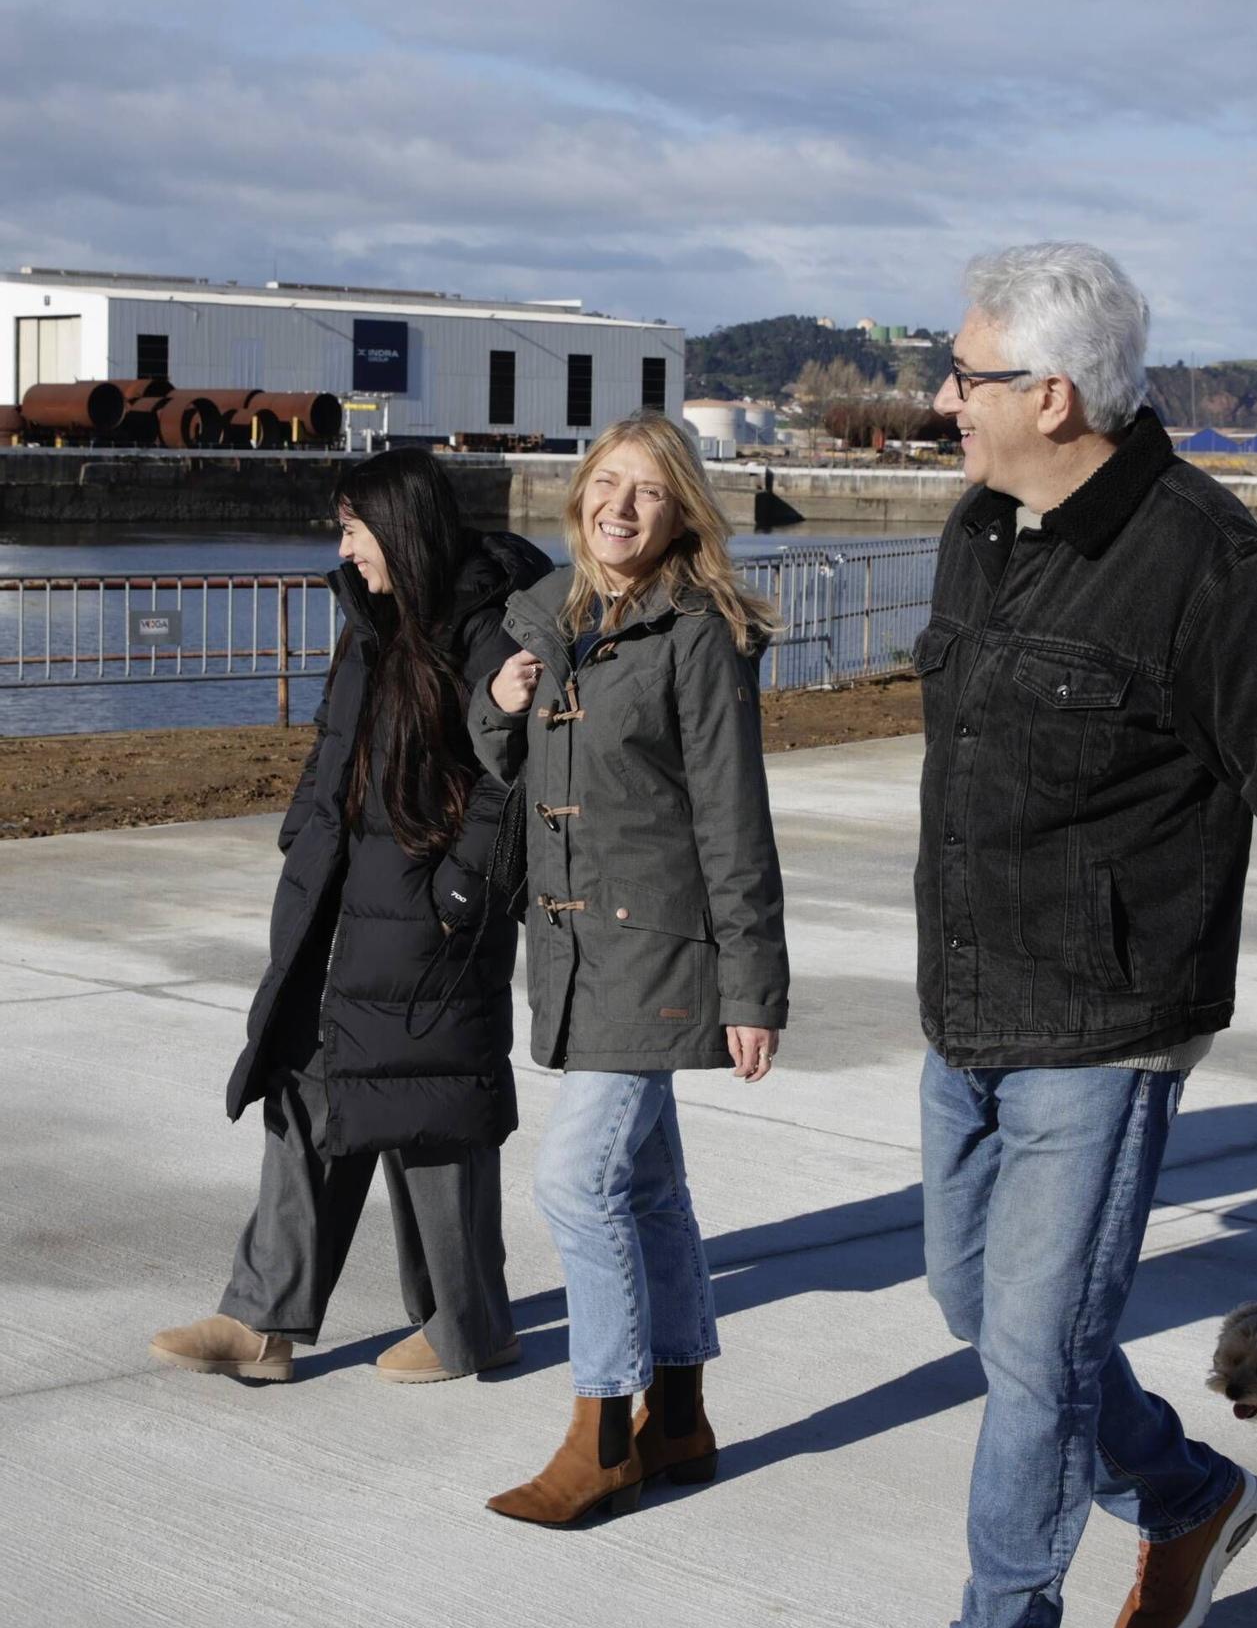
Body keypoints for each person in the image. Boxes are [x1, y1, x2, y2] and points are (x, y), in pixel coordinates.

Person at [877, 244, 1257, 1628]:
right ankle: (1181, 1494)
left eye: (964, 374)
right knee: (976, 1310)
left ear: (1053, 394)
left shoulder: (1209, 571)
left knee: (1035, 1357)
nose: (941, 398)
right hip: (966, 1002)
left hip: (1106, 1021)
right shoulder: (980, 525)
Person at [150, 450, 551, 1386]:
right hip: (344, 898)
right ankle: (262, 1321)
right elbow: (335, 746)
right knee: (306, 1084)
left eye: (353, 529)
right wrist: (304, 836)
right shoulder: (374, 618)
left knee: (430, 1107)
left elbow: (513, 773)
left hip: (432, 912)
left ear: (399, 529)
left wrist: (462, 892)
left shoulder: (486, 623)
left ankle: (470, 1325)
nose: (343, 549)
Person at [469, 409, 789, 1527]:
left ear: (680, 512)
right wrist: (497, 708)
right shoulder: (555, 613)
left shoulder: (696, 634)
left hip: (655, 952)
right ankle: (683, 1416)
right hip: (572, 947)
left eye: (648, 490)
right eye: (607, 482)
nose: (620, 506)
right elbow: (517, 769)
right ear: (579, 494)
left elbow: (734, 821)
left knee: (576, 1182)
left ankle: (603, 1432)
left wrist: (752, 985)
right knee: (649, 1187)